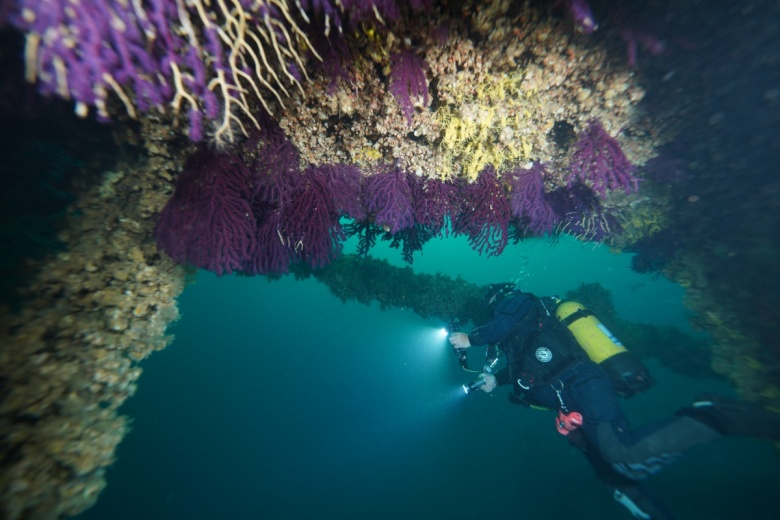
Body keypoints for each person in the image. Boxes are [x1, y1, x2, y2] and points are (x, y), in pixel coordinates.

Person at [449, 284, 780, 520]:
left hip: (583, 383)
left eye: (493, 306)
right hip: (571, 403)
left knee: (624, 454)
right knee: (615, 477)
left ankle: (711, 415)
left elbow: (502, 324)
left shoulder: (519, 302)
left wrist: (470, 338)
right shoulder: (517, 336)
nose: (495, 311)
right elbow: (527, 369)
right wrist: (497, 379)